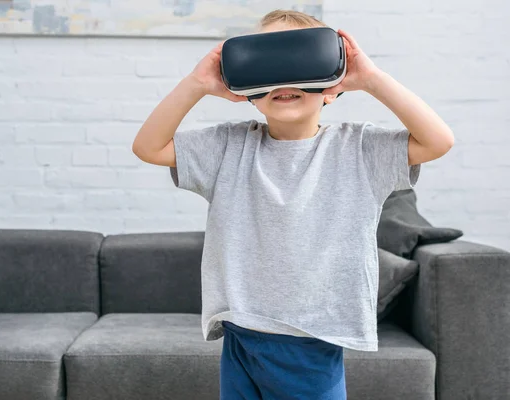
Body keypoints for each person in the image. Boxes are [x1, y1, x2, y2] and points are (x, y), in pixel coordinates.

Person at [132, 9, 454, 400]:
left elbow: (438, 140)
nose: (285, 80)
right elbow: (148, 147)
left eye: (300, 62)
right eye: (269, 66)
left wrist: (370, 79)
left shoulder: (360, 148)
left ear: (333, 86)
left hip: (311, 337)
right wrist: (197, 84)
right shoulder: (228, 147)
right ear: (250, 92)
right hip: (240, 329)